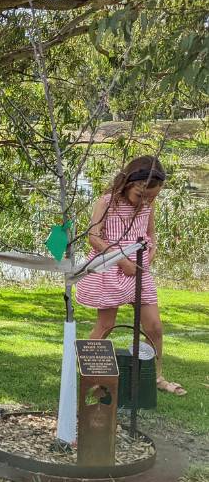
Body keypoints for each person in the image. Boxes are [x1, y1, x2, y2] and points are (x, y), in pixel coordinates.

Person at [77, 156, 184, 396]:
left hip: (139, 269)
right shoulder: (107, 202)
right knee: (106, 324)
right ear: (128, 182)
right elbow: (93, 236)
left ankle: (154, 376)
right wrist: (121, 259)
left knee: (154, 327)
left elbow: (150, 234)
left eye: (152, 197)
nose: (145, 201)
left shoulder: (148, 203)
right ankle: (93, 377)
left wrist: (150, 254)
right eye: (141, 195)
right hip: (112, 265)